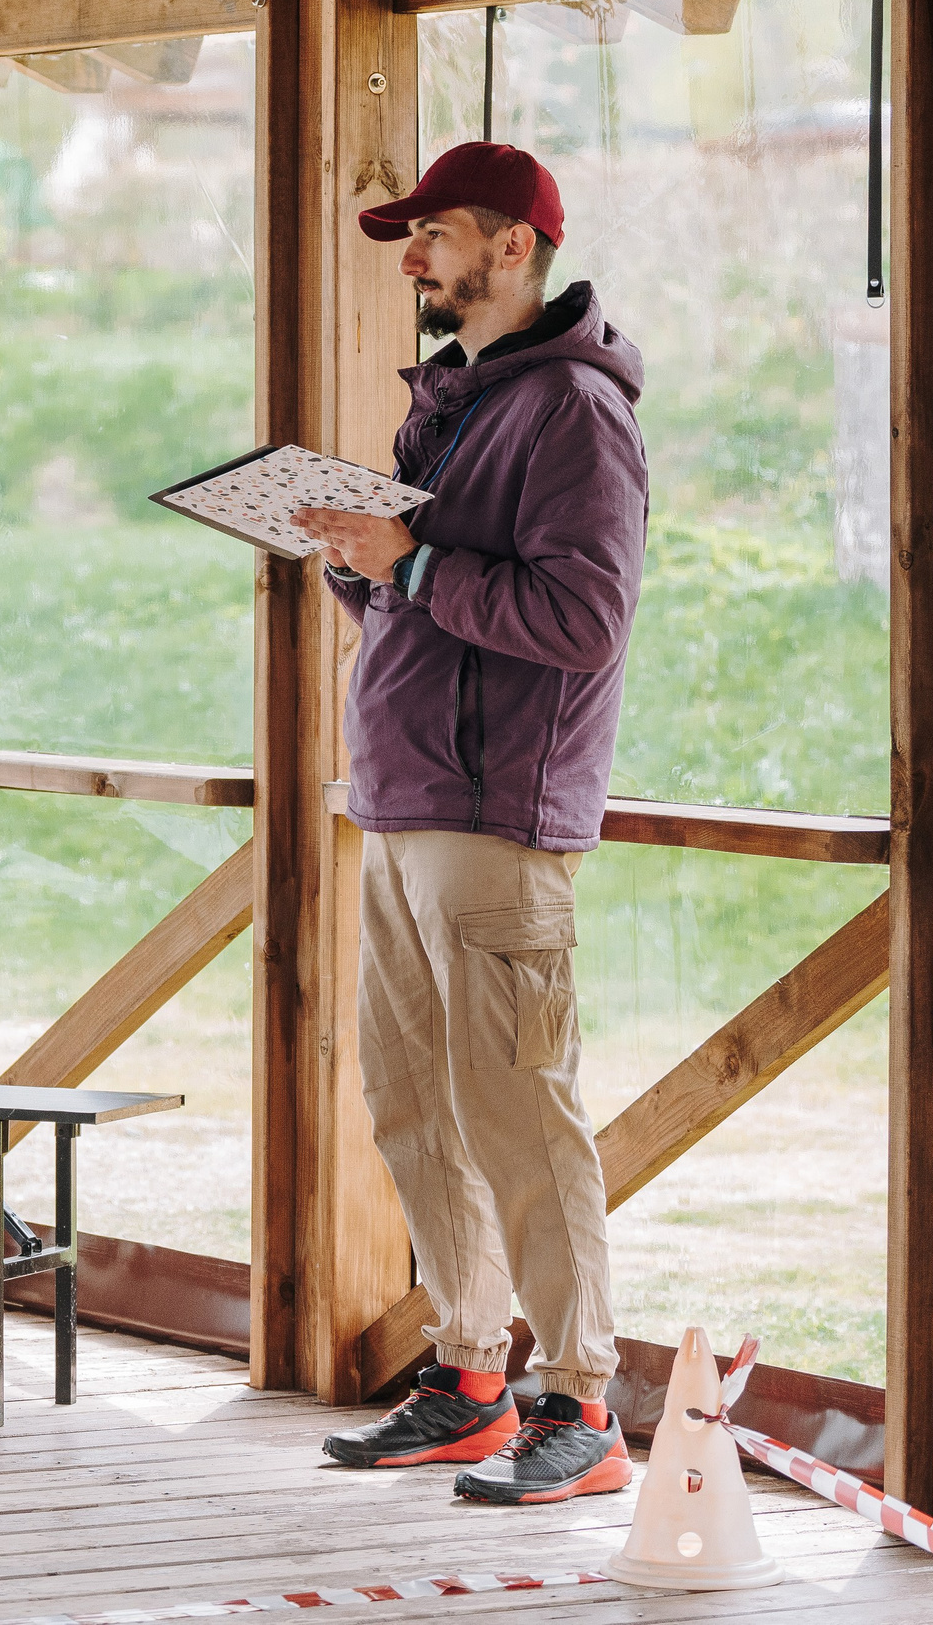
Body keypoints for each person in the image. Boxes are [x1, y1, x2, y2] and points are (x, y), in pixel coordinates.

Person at [290, 143, 648, 1506]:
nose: (414, 258)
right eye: (412, 234)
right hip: (400, 803)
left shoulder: (573, 412)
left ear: (516, 247)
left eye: (435, 233)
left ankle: (586, 1406)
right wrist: (363, 568)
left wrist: (417, 562)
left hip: (498, 818)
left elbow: (581, 621)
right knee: (415, 1110)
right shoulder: (460, 401)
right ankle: (470, 1379)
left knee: (522, 1118)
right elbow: (428, 601)